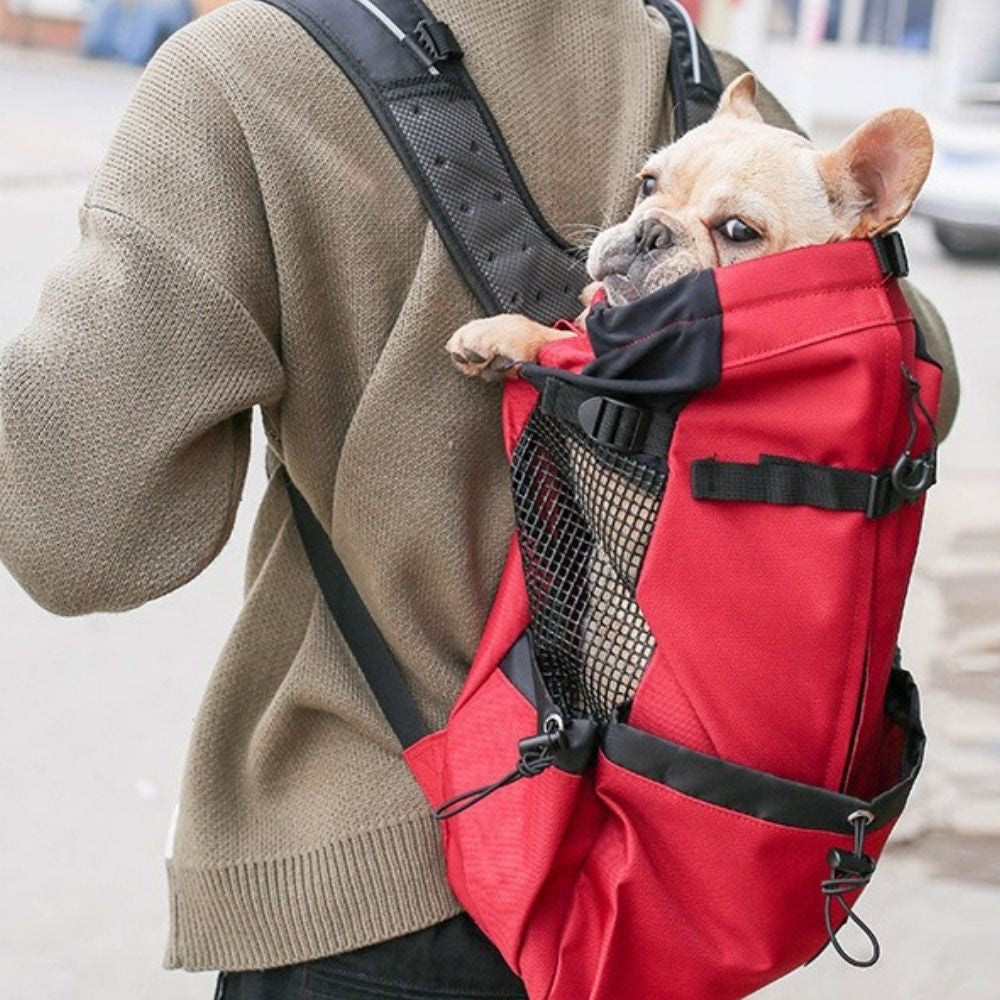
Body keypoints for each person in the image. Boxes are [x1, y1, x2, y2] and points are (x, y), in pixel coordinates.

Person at [0, 1, 958, 997]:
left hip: (366, 859)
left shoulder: (238, 72)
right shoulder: (685, 63)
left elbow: (80, 539)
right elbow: (922, 385)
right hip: (661, 862)